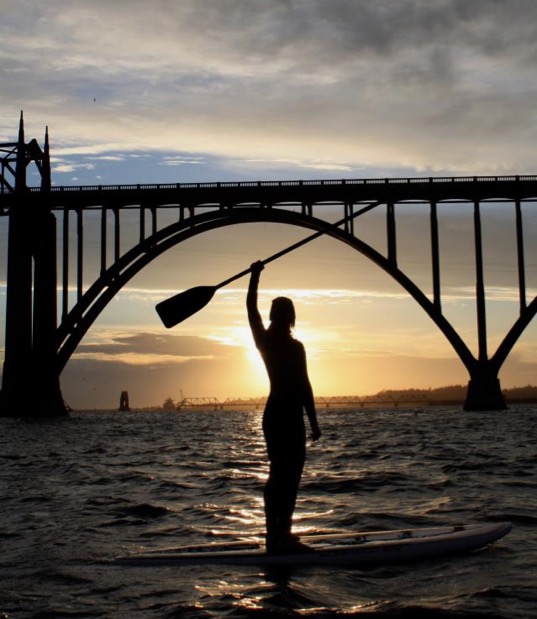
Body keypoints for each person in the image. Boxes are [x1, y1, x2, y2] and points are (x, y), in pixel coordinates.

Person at [247, 261, 321, 554]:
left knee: (280, 475)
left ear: (275, 317)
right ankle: (279, 536)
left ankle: (277, 536)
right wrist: (313, 422)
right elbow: (305, 386)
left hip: (275, 415)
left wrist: (254, 277)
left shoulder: (265, 342)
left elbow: (251, 310)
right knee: (287, 477)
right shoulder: (293, 347)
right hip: (288, 416)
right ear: (291, 319)